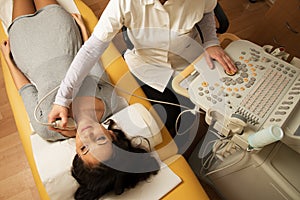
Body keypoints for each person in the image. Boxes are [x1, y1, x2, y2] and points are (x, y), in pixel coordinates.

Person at [0, 0, 160, 199]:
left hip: (26, 47)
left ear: (76, 153)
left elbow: (25, 89)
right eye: (99, 140)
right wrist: (84, 31)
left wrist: (8, 61)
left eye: (84, 148)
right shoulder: (107, 101)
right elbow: (91, 62)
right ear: (112, 135)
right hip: (63, 37)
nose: (86, 136)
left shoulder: (48, 128)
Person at [48, 0, 237, 139]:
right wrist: (63, 99)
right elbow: (91, 50)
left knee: (217, 109)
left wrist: (211, 42)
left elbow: (206, 12)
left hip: (189, 62)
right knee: (166, 123)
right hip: (148, 68)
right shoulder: (124, 3)